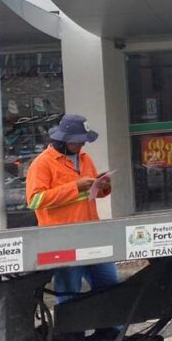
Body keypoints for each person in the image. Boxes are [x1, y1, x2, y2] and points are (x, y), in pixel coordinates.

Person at [26, 114, 116, 303]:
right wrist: (76, 187)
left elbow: (89, 195)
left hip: (92, 235)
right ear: (63, 141)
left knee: (110, 286)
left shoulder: (84, 158)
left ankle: (110, 331)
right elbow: (35, 200)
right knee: (68, 292)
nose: (82, 145)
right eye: (78, 142)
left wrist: (102, 185)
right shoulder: (42, 164)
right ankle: (70, 333)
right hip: (64, 240)